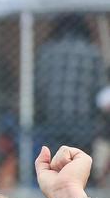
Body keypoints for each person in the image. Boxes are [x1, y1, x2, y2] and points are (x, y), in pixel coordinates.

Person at [35, 14, 104, 151]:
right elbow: (100, 91)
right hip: (83, 122)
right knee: (80, 162)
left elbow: (38, 87)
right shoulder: (92, 52)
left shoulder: (46, 52)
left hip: (52, 120)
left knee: (55, 163)